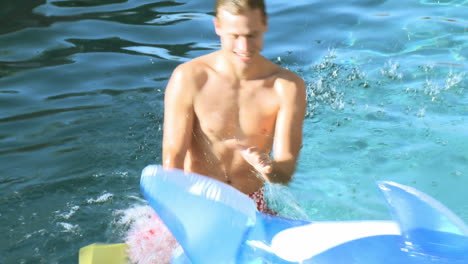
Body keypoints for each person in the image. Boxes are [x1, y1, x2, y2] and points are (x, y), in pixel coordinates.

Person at [162, 0, 306, 214]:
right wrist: (177, 212)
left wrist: (268, 168)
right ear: (218, 27)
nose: (244, 48)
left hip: (252, 205)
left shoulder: (287, 87)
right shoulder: (190, 78)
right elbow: (173, 158)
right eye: (234, 36)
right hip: (195, 202)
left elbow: (285, 173)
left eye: (251, 35)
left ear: (265, 25)